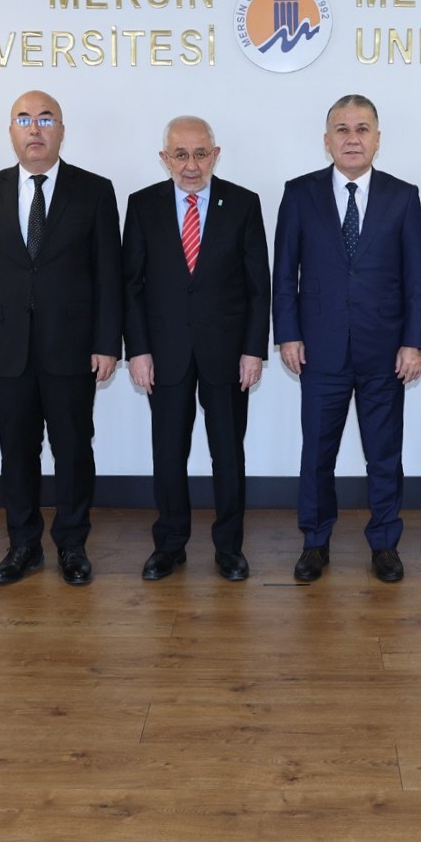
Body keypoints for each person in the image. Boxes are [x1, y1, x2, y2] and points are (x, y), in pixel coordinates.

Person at [0, 90, 121, 586]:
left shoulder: (94, 190)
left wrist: (107, 342)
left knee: (73, 449)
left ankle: (72, 545)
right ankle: (23, 545)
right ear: (11, 131)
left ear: (61, 131)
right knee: (17, 450)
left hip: (72, 346)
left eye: (46, 120)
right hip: (5, 347)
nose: (35, 129)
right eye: (25, 119)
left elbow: (108, 274)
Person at [273, 94, 421, 584]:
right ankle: (314, 542)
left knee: (384, 455)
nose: (352, 138)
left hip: (385, 352)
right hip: (319, 350)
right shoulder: (299, 193)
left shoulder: (403, 197)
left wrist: (413, 342)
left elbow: (419, 278)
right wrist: (288, 335)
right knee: (317, 455)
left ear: (377, 140)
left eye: (362, 129)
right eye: (342, 129)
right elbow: (285, 272)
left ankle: (385, 543)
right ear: (327, 140)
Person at [123, 116, 269, 581]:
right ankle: (169, 545)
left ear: (215, 155)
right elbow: (131, 286)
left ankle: (229, 548)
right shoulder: (142, 205)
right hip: (163, 354)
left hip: (227, 354)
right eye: (181, 155)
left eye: (201, 154)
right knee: (168, 453)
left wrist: (253, 350)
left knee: (227, 454)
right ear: (164, 158)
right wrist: (137, 350)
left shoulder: (243, 204)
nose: (191, 165)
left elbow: (258, 287)